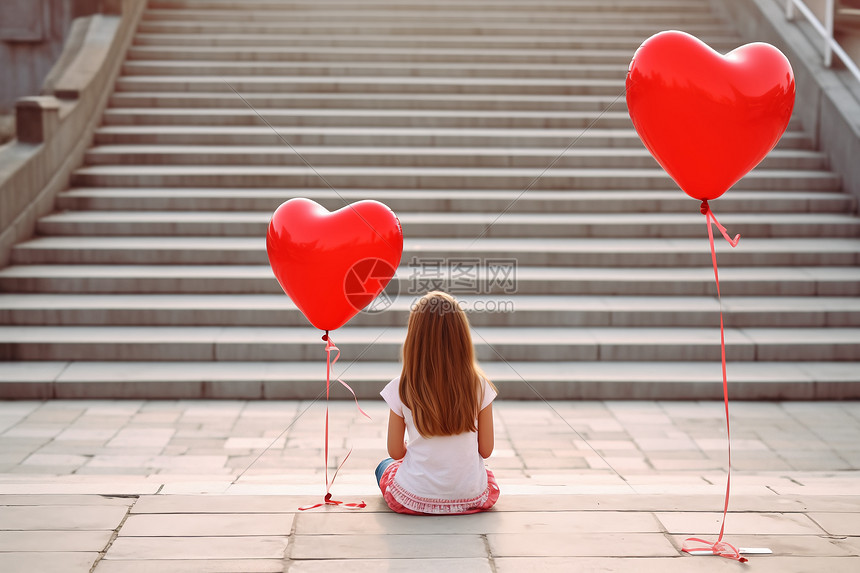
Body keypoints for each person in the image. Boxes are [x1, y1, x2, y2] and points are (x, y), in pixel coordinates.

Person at [375, 291, 500, 515]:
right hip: (470, 495)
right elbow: (486, 449)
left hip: (415, 497)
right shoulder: (480, 385)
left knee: (383, 466)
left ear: (413, 339)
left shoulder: (401, 386)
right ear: (462, 339)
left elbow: (395, 452)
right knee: (481, 470)